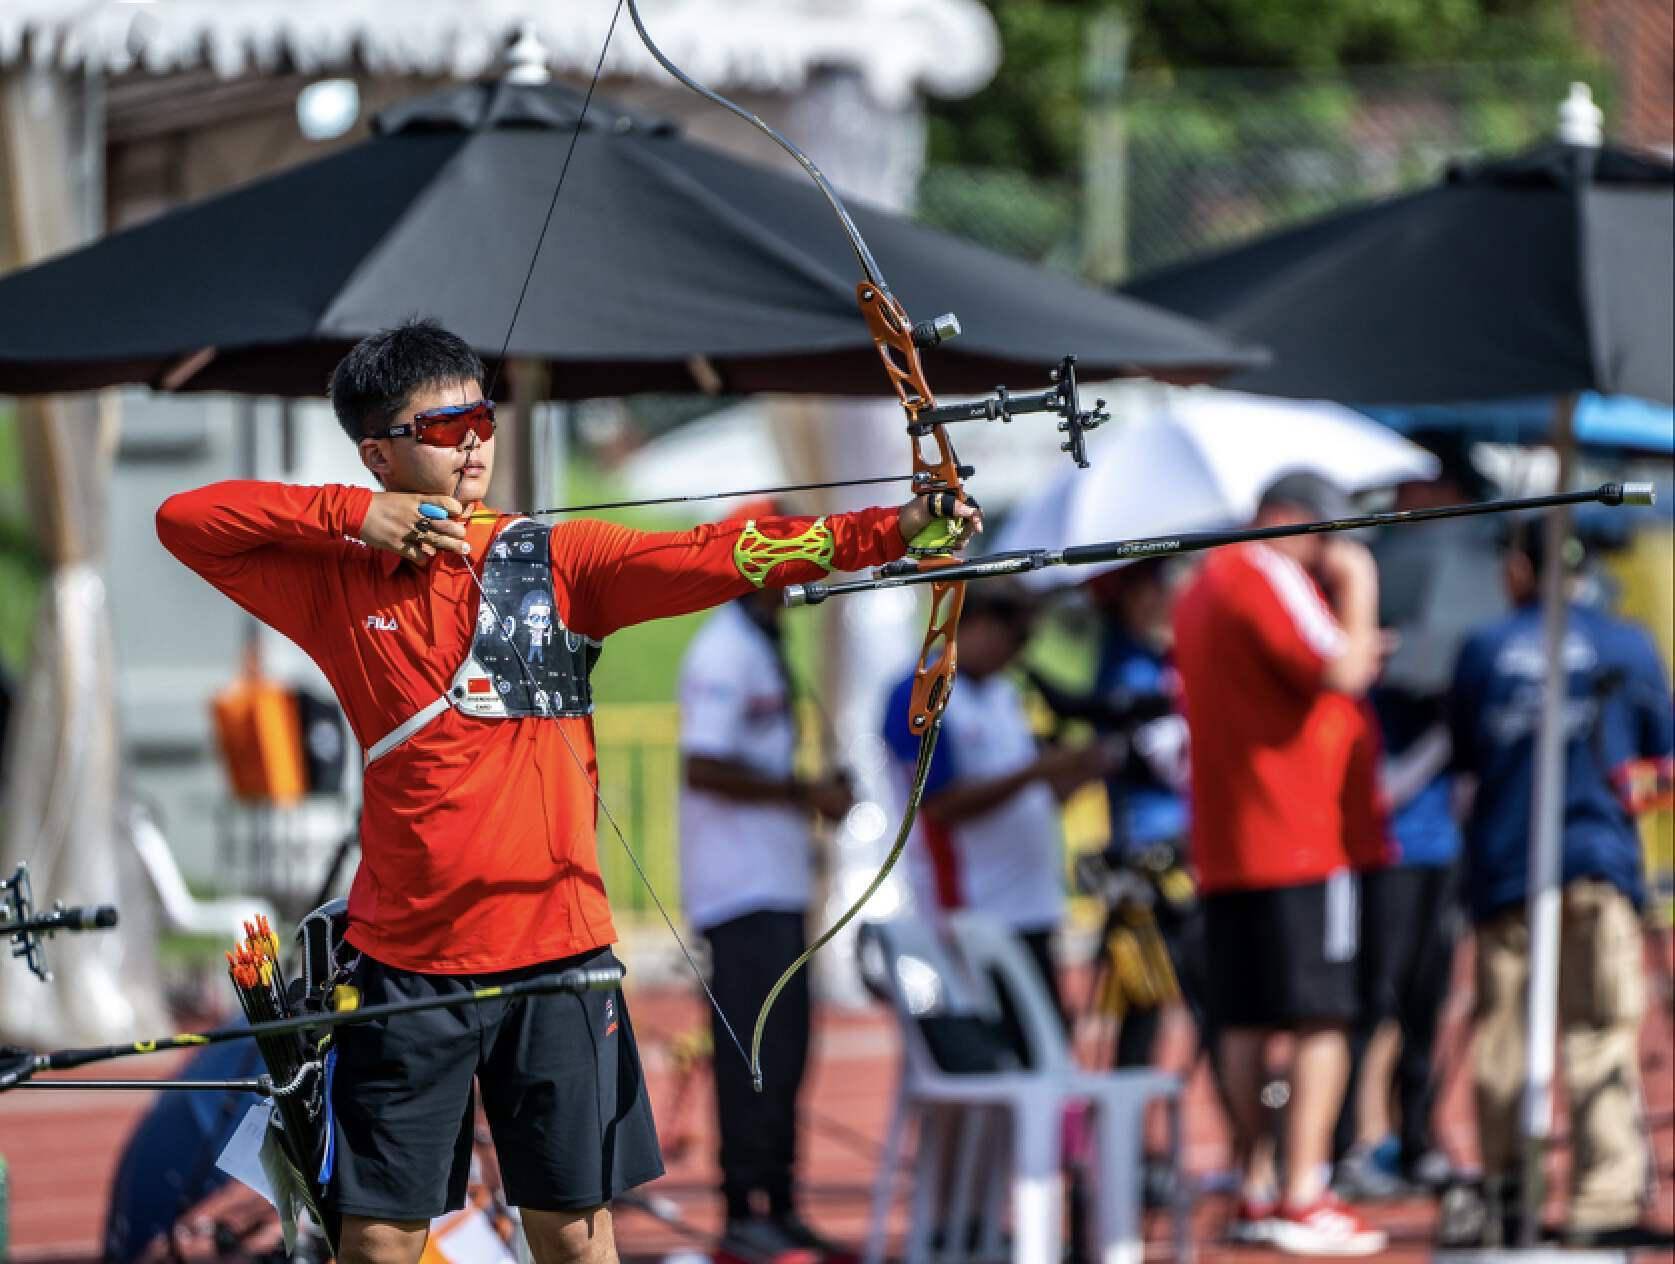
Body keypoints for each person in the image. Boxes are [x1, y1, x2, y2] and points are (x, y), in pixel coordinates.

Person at [155, 318, 978, 1264]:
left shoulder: (556, 561)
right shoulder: (336, 579)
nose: (474, 441)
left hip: (558, 957)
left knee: (576, 1237)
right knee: (378, 1240)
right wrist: (351, 516)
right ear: (378, 453)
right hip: (406, 963)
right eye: (444, 426)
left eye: (482, 418)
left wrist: (892, 530)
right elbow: (185, 518)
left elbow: (717, 553)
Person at [1171, 471, 1389, 1256]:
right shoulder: (1262, 569)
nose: (1329, 552)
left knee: (1244, 1019)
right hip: (1299, 834)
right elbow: (1343, 668)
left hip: (1230, 839)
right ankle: (1301, 1193)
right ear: (1291, 519)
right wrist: (1358, 584)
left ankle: (1256, 1183)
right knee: (1319, 1017)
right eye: (1325, 535)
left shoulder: (1201, 585)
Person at [1450, 522, 1674, 1249]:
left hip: (1507, 866)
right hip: (1594, 863)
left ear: (1521, 567)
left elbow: (1465, 766)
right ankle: (1601, 1198)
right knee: (1599, 1031)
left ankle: (1507, 1191)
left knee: (1503, 1039)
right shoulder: (1627, 644)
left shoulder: (1485, 647)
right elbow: (1661, 766)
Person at [1334, 459, 1498, 1200]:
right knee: (1371, 998)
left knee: (1427, 1002)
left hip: (1440, 847)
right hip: (1384, 847)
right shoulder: (1375, 606)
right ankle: (1345, 1142)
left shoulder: (1465, 605)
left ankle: (1418, 1136)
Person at [677, 573, 853, 1259]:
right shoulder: (723, 649)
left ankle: (777, 1202)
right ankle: (741, 1209)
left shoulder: (761, 643)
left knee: (786, 1053)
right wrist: (803, 791)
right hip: (738, 891)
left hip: (774, 886)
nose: (803, 588)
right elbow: (702, 766)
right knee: (750, 1055)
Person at [881, 585, 1117, 1022]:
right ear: (978, 625)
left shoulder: (1004, 694)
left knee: (1043, 1043)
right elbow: (938, 805)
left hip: (1031, 906)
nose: (1020, 652)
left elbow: (1034, 795)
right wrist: (1036, 771)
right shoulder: (921, 690)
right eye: (1017, 637)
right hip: (971, 911)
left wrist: (1087, 768)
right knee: (989, 1047)